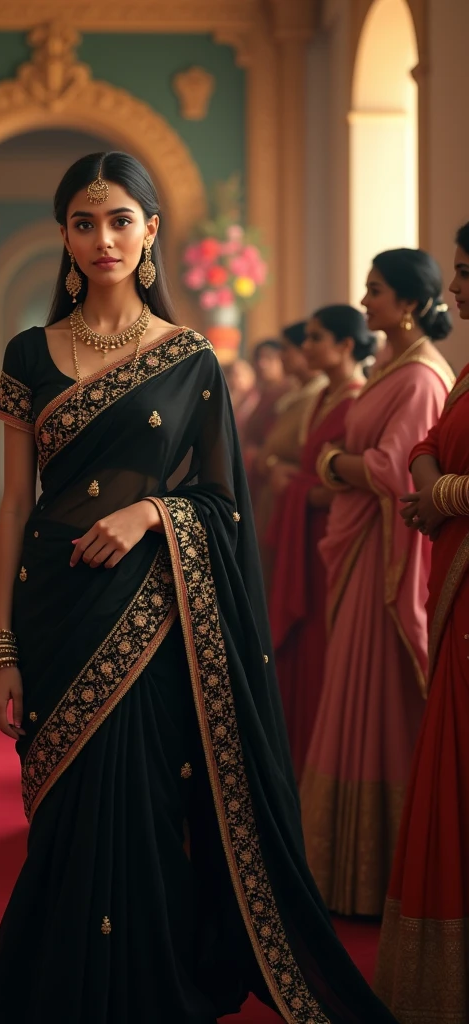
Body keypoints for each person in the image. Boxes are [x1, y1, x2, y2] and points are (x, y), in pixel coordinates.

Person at [0, 151, 397, 1024]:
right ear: (64, 234)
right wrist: (0, 648)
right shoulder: (30, 352)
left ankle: (144, 993)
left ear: (152, 230)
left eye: (121, 220)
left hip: (153, 611)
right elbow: (16, 503)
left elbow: (223, 504)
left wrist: (151, 518)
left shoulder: (189, 357)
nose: (104, 239)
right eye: (85, 222)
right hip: (53, 612)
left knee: (143, 806)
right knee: (63, 820)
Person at [300, 248, 455, 916]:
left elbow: (395, 472)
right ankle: (337, 868)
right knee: (348, 690)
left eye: (375, 292)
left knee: (376, 698)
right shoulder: (393, 366)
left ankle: (377, 872)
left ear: (411, 304)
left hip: (384, 556)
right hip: (359, 547)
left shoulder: (420, 378)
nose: (366, 304)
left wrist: (333, 463)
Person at [375, 223, 469, 1023]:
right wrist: (434, 479)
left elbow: (424, 465)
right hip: (454, 585)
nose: (458, 289)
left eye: (468, 273)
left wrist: (438, 496)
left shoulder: (426, 371)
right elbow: (427, 449)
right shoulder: (465, 371)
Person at [266, 306, 373, 781]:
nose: (306, 347)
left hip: (328, 536)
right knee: (302, 643)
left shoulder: (355, 399)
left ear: (346, 345)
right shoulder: (324, 397)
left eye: (315, 337)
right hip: (303, 533)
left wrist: (297, 489)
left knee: (318, 643)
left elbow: (357, 480)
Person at [251, 321, 326, 579]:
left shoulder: (318, 397)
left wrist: (268, 463)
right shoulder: (296, 394)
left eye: (286, 349)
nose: (281, 356)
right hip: (274, 499)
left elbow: (307, 458)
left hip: (294, 505)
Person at [241, 338, 293, 478]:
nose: (262, 364)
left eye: (269, 358)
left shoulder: (289, 395)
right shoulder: (260, 394)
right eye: (259, 358)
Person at [223, 356, 259, 439]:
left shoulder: (255, 399)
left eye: (240, 375)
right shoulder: (227, 397)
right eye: (232, 375)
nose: (236, 379)